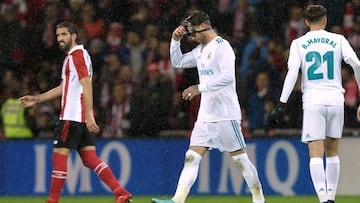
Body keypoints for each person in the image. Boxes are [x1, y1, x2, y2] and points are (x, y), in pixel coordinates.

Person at [151, 10, 266, 203]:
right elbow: (177, 61)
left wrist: (199, 87)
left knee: (240, 160)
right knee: (191, 157)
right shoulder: (200, 50)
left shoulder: (223, 47)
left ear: (203, 26)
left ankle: (259, 198)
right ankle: (177, 199)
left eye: (193, 33)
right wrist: (174, 41)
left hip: (226, 114)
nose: (193, 38)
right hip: (206, 116)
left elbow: (228, 77)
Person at [19, 22, 132, 203]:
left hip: (72, 116)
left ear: (74, 36)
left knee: (59, 157)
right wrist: (37, 99)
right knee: (90, 158)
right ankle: (120, 192)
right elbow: (66, 87)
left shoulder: (76, 55)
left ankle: (52, 201)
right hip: (79, 118)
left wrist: (89, 114)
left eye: (64, 34)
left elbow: (86, 83)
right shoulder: (78, 56)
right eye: (58, 35)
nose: (60, 39)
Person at [269, 5, 360, 203]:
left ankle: (323, 199)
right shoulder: (338, 39)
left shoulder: (298, 43)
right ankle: (331, 198)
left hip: (313, 102)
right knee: (333, 152)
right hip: (336, 100)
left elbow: (293, 73)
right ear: (325, 20)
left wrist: (281, 103)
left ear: (306, 22)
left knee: (316, 154)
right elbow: (357, 64)